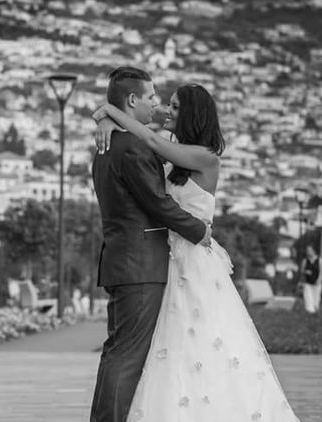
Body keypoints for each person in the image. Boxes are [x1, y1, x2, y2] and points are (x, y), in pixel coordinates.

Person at [93, 75, 301, 421]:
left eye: (174, 106)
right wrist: (105, 118)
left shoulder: (204, 157)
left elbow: (146, 138)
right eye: (163, 102)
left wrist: (108, 114)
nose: (164, 109)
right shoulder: (171, 154)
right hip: (166, 259)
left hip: (189, 257)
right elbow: (145, 148)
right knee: (161, 350)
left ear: (192, 114)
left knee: (199, 346)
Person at [88, 68, 214, 422]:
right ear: (132, 100)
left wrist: (105, 116)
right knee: (126, 358)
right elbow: (157, 203)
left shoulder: (113, 143)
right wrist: (198, 231)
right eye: (152, 98)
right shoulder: (132, 149)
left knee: (117, 353)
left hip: (124, 260)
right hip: (139, 264)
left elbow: (155, 129)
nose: (158, 106)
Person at [299, 245, 322, 314]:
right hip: (307, 282)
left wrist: (319, 279)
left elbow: (321, 271)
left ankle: (315, 311)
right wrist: (305, 271)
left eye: (309, 250)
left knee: (316, 299)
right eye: (307, 251)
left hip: (317, 282)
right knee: (308, 297)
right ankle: (310, 312)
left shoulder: (319, 260)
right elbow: (301, 271)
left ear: (313, 251)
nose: (308, 252)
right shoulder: (305, 261)